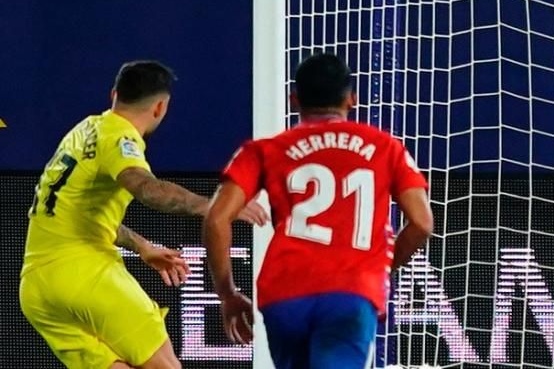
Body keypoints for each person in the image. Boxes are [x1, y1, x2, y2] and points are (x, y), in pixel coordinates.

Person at [20, 60, 268, 369]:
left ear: (114, 94)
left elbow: (78, 215)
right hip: (84, 275)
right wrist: (216, 206)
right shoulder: (120, 138)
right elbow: (147, 188)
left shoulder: (84, 130)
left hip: (37, 288)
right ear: (161, 107)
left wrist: (142, 246)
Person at [204, 53, 434, 368]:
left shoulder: (263, 150)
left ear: (294, 100)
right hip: (350, 292)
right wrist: (382, 267)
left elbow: (216, 218)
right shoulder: (386, 147)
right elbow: (421, 223)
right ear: (352, 99)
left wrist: (227, 293)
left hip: (284, 294)